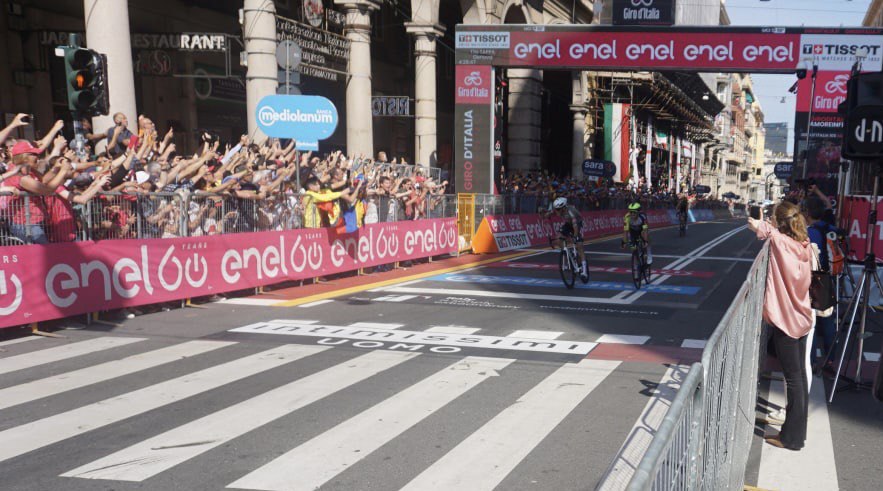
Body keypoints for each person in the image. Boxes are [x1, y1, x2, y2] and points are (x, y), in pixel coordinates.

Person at [748, 201, 814, 451]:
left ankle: (792, 439)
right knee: (799, 378)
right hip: (802, 317)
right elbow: (770, 230)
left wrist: (759, 222)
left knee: (794, 380)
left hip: (785, 320)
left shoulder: (779, 241)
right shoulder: (803, 244)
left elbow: (760, 228)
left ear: (780, 222)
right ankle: (796, 434)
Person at [804, 195, 838, 374]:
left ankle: (811, 362)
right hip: (827, 277)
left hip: (811, 279)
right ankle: (831, 360)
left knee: (810, 323)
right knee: (827, 322)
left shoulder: (807, 233)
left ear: (807, 213)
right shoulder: (829, 228)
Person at [546, 197, 588, 282]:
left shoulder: (571, 212)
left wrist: (575, 237)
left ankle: (584, 271)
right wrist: (547, 215)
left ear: (564, 208)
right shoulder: (558, 209)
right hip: (568, 224)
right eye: (556, 209)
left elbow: (575, 227)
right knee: (559, 237)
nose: (557, 211)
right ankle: (566, 253)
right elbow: (550, 213)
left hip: (577, 224)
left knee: (579, 246)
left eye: (558, 209)